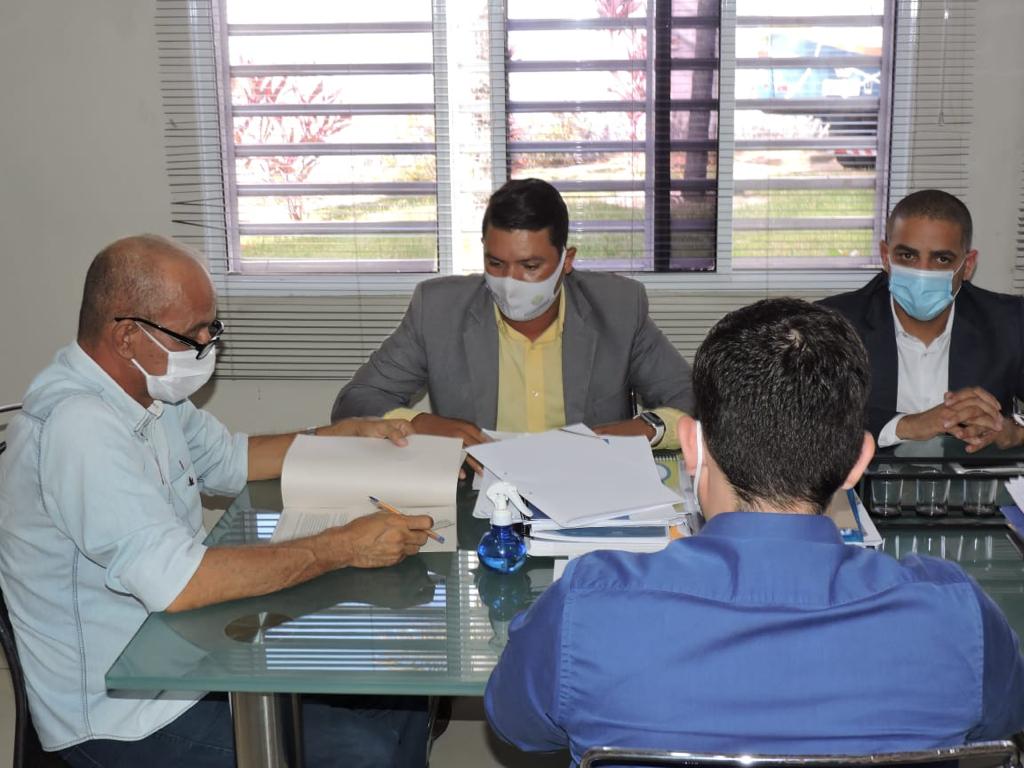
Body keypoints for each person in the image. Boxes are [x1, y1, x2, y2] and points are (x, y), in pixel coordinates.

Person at [485, 298, 1024, 764]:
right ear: (858, 461)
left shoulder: (588, 606)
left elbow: (518, 726)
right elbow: (1000, 720)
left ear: (692, 447)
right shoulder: (958, 616)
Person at [0, 235, 436, 767]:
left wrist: (338, 437)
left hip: (189, 649)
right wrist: (342, 546)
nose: (208, 343)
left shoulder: (147, 391)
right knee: (365, 753)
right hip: (126, 711)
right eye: (194, 333)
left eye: (212, 327)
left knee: (405, 689)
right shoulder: (79, 429)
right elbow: (181, 583)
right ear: (127, 336)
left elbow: (231, 459)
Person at [331, 178, 693, 449]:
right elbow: (355, 401)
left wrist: (648, 427)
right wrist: (422, 423)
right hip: (477, 490)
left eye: (530, 266)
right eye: (496, 263)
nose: (510, 281)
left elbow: (691, 397)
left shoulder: (618, 307)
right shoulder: (438, 310)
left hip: (586, 489)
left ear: (566, 260)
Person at [820, 189, 1024, 450]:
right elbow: (805, 420)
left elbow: (1014, 430)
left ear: (968, 265)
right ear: (885, 257)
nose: (922, 272)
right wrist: (907, 425)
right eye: (908, 256)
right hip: (868, 476)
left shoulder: (1010, 322)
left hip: (972, 477)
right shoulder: (832, 325)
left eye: (941, 259)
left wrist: (1014, 431)